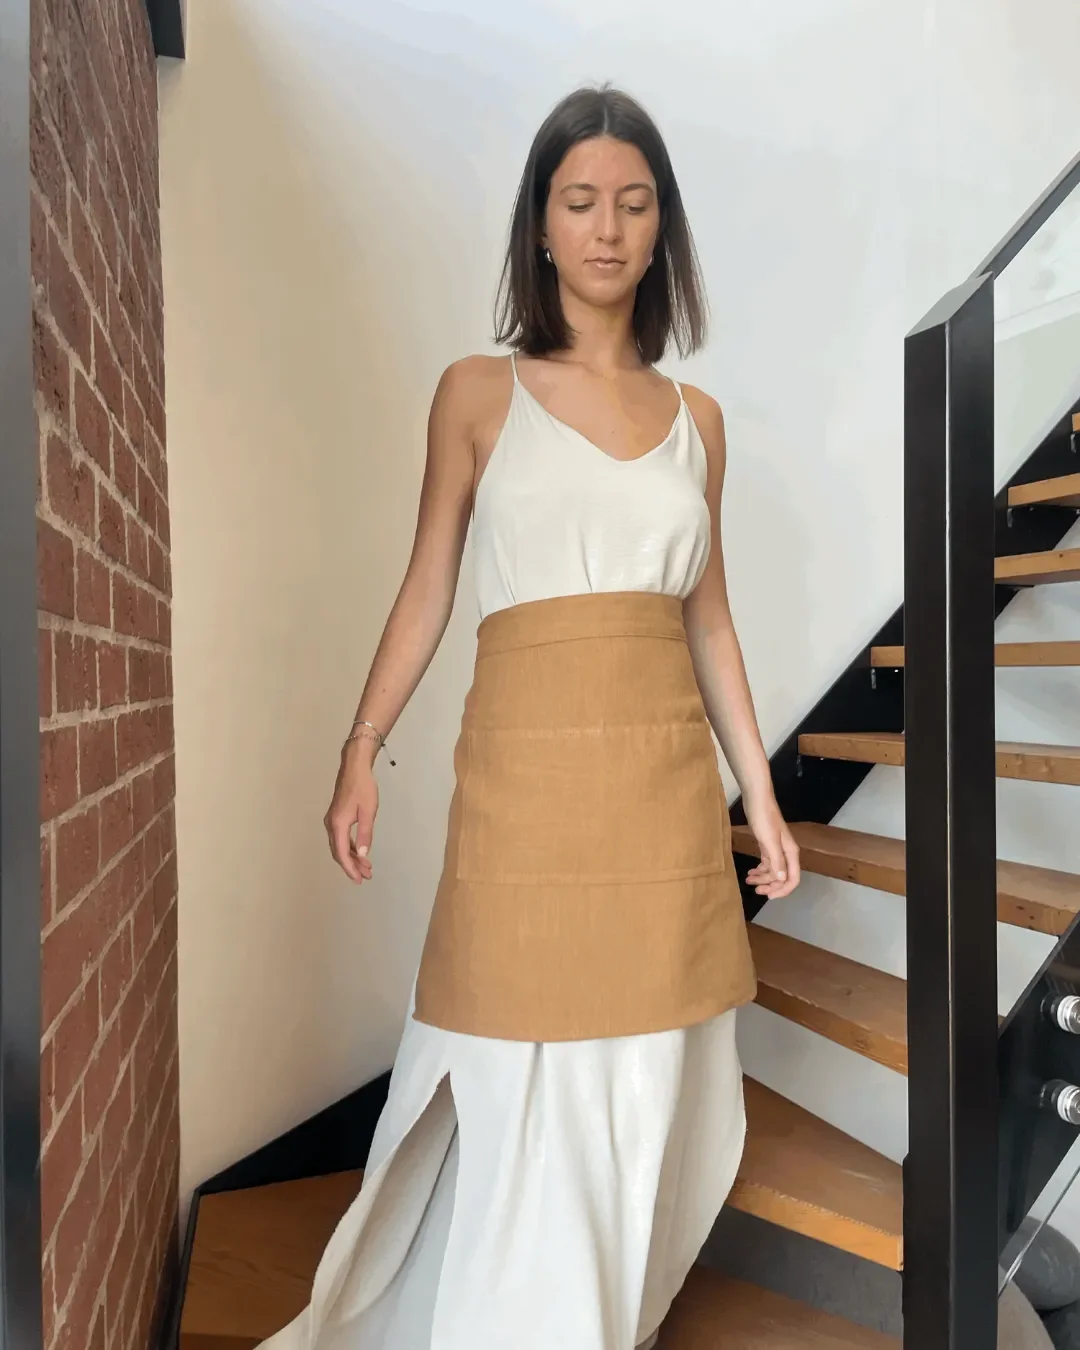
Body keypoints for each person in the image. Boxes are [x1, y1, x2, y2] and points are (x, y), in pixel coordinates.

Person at [259, 82, 800, 1350]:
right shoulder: (474, 394)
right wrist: (360, 749)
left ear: (660, 229)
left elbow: (708, 623)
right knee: (502, 1061)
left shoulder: (698, 425)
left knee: (638, 1078)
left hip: (660, 794)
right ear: (540, 225)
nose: (606, 227)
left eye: (633, 202)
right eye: (579, 201)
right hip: (522, 784)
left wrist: (763, 801)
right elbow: (429, 584)